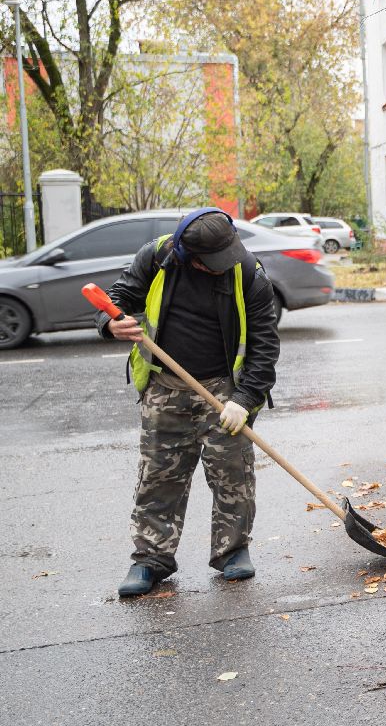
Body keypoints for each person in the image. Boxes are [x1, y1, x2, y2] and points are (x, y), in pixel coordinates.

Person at [96, 208, 280, 598]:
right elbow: (119, 298)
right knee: (158, 478)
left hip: (223, 390)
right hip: (165, 388)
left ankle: (233, 552)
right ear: (189, 255)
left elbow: (265, 346)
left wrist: (244, 400)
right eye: (213, 263)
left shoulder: (249, 272)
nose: (224, 265)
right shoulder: (157, 257)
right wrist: (110, 323)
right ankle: (150, 560)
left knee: (233, 475)